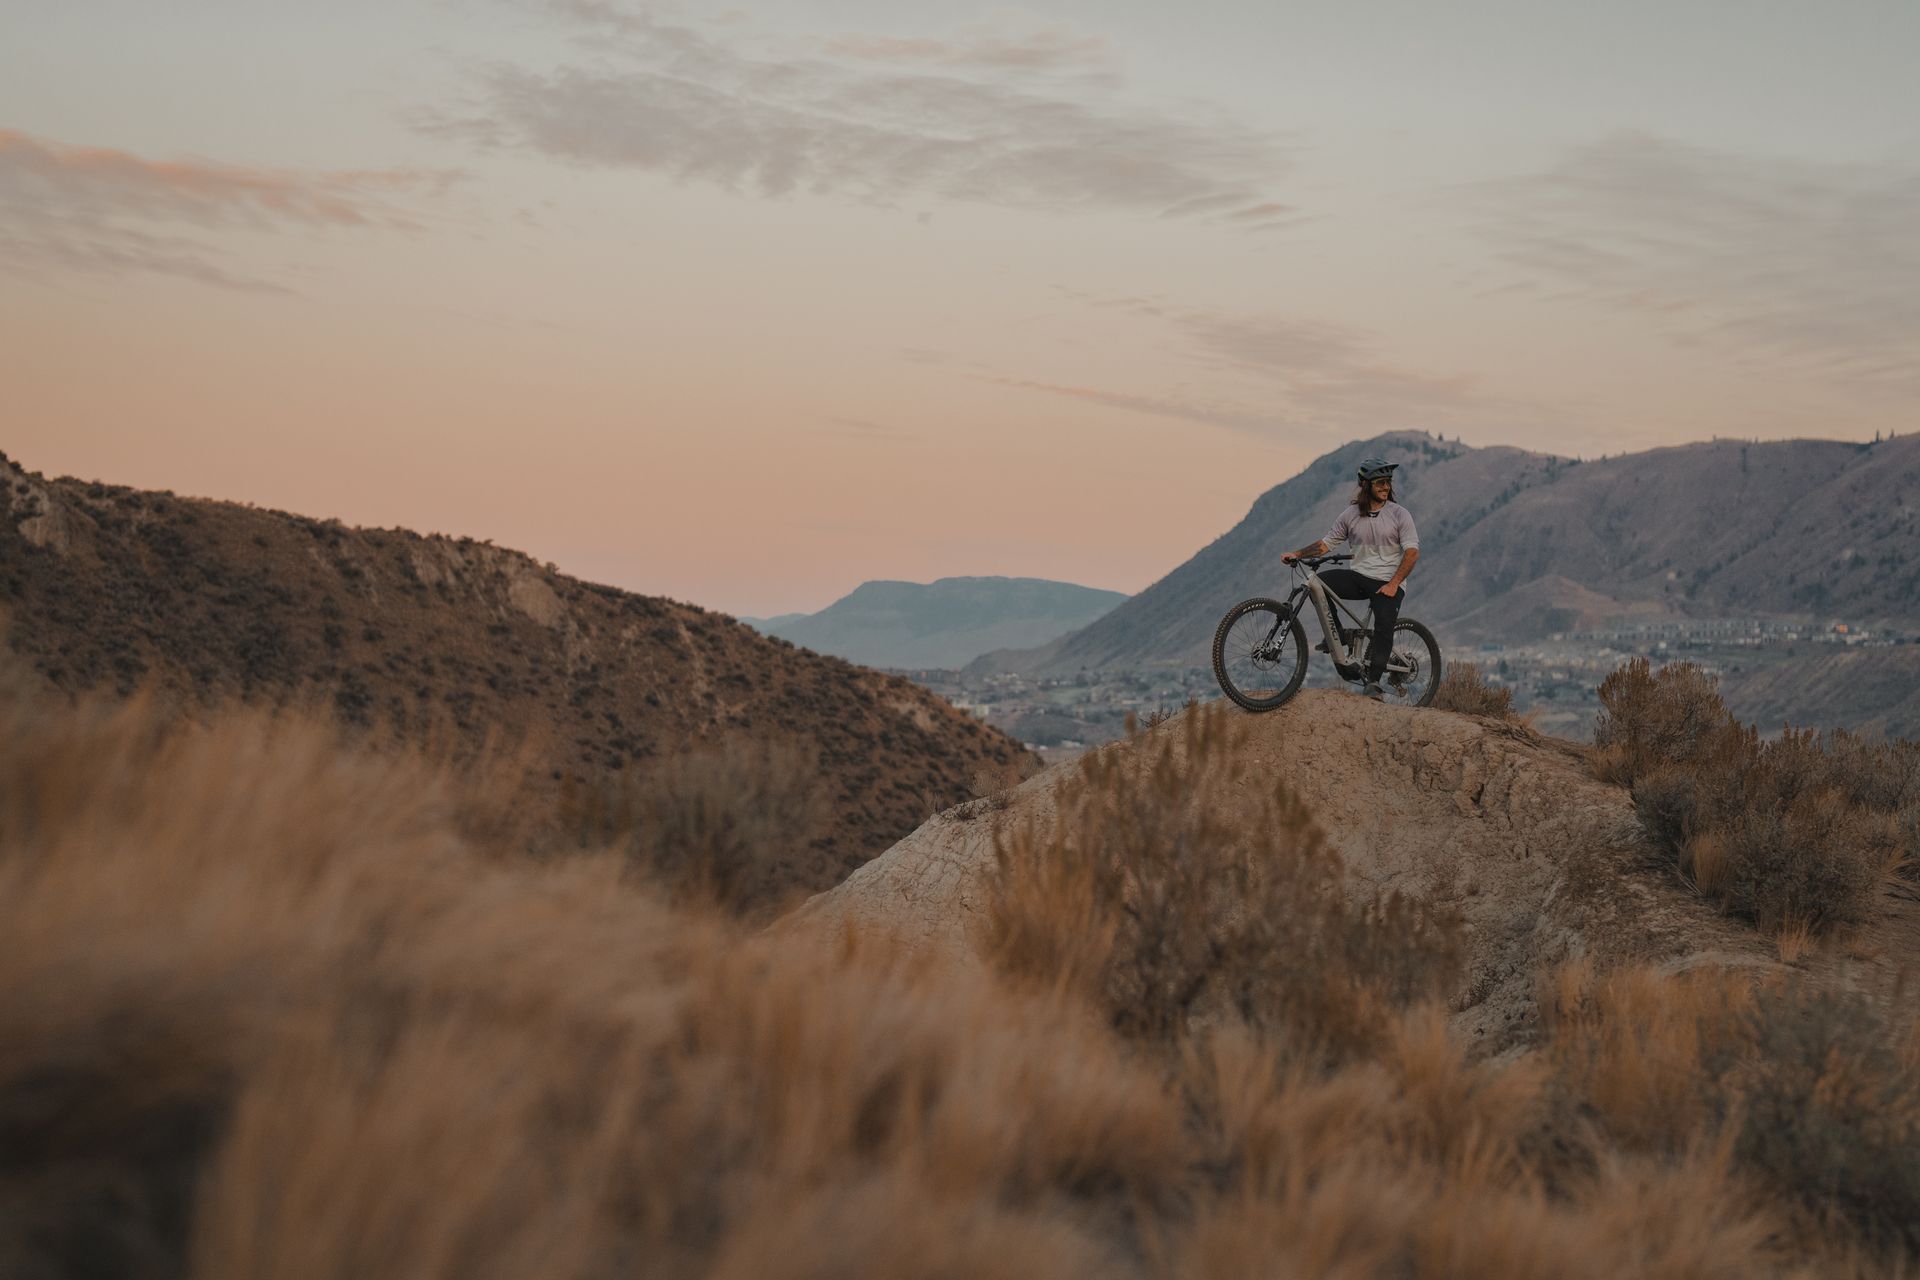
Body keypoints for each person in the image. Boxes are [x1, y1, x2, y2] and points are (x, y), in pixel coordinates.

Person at [1281, 457, 1421, 700]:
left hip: (1388, 581)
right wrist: (1298, 554)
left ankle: (1375, 682)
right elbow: (1326, 544)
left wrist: (1394, 584)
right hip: (1360, 576)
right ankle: (1339, 634)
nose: (1385, 487)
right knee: (1318, 584)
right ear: (1365, 485)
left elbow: (1411, 553)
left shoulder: (1400, 515)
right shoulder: (1350, 515)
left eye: (1388, 482)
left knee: (1383, 626)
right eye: (1379, 482)